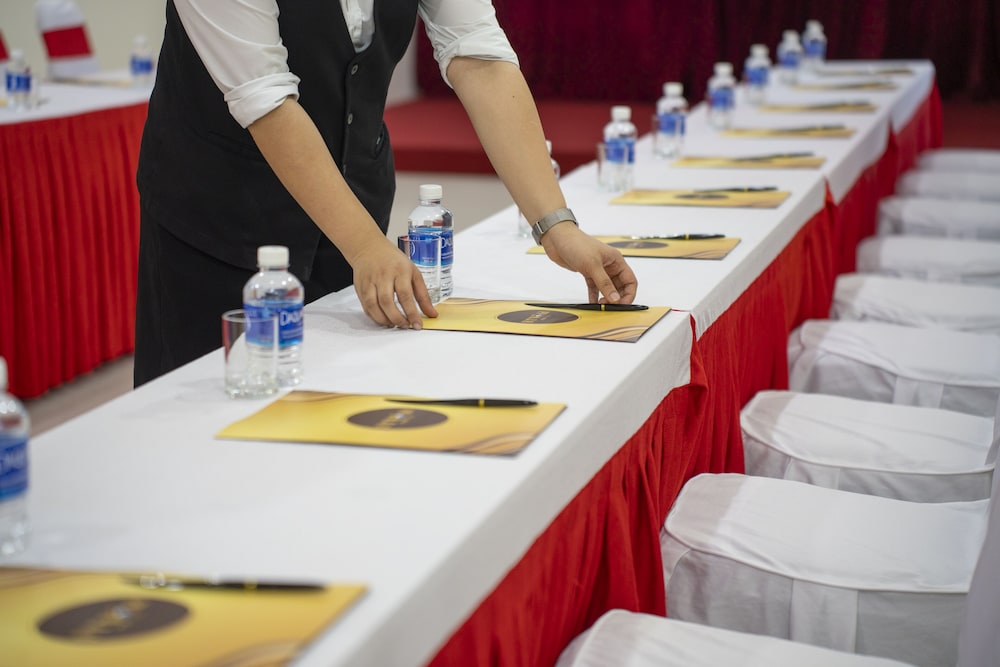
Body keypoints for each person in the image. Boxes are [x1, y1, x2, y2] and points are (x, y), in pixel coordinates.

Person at [134, 0, 639, 386]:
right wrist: (365, 247)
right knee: (218, 408)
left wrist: (556, 226)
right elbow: (263, 98)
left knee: (344, 401)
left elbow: (478, 53)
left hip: (354, 195)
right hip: (222, 214)